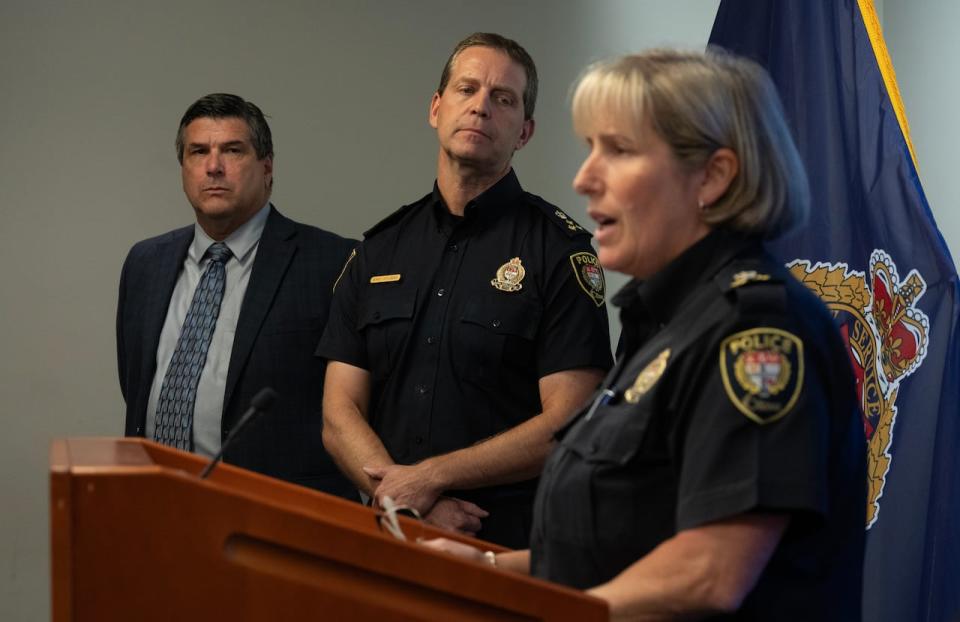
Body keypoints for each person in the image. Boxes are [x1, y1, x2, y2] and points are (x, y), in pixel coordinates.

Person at [423, 49, 867, 620]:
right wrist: (478, 572)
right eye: (590, 150)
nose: (585, 177)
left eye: (620, 150)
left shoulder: (755, 330)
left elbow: (708, 572)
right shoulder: (665, 328)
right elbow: (610, 552)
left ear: (713, 176)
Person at [316, 33, 613, 548]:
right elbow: (338, 412)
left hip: (503, 545)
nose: (480, 107)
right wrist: (406, 502)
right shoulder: (379, 251)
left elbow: (569, 420)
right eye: (466, 89)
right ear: (436, 108)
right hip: (389, 539)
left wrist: (430, 478)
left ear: (525, 131)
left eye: (503, 99)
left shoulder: (559, 252)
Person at [117, 93, 359, 499]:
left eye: (232, 150)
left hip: (278, 517)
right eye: (198, 152)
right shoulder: (145, 263)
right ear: (183, 168)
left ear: (267, 167)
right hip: (157, 506)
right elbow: (136, 386)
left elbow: (360, 407)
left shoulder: (335, 262)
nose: (213, 166)